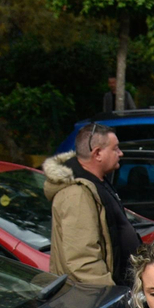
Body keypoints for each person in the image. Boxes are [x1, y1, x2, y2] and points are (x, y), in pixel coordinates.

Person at [45, 123, 140, 286]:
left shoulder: (96, 181)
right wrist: (111, 296)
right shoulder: (76, 194)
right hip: (104, 298)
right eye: (115, 148)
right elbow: (82, 260)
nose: (120, 153)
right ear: (97, 154)